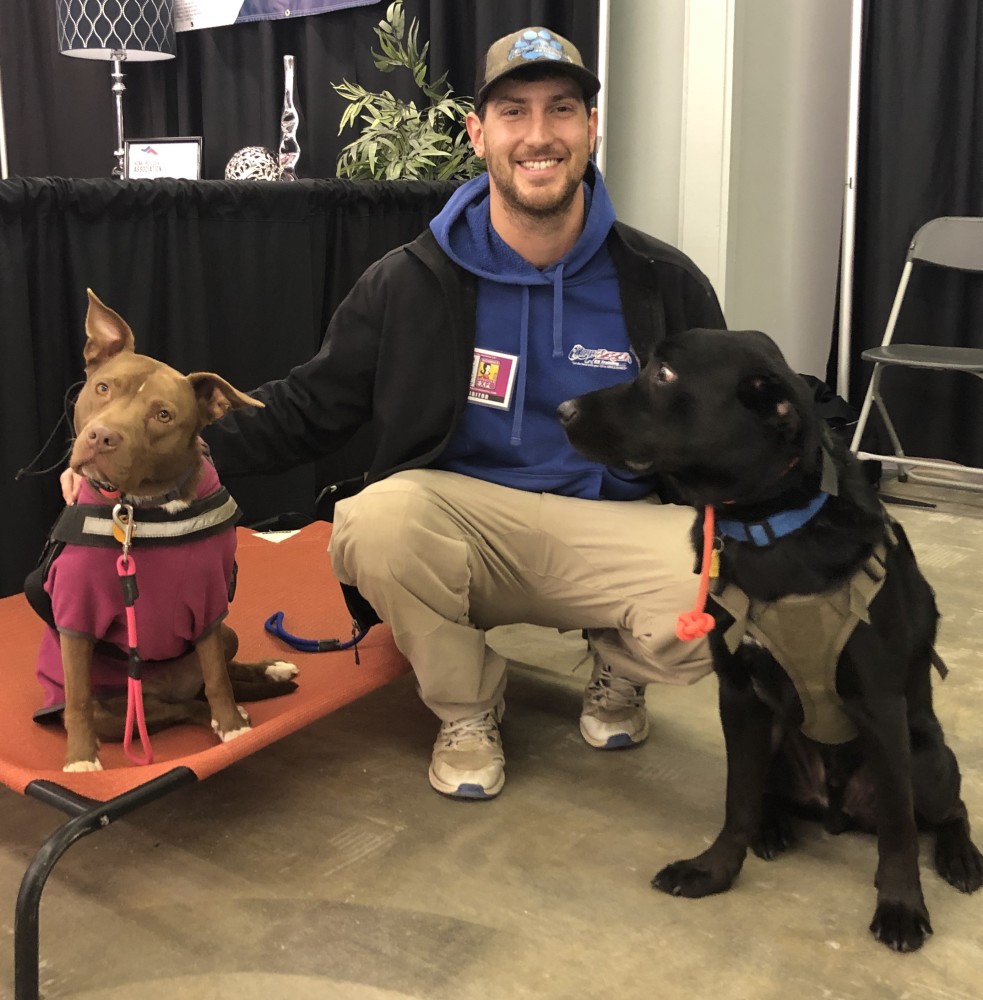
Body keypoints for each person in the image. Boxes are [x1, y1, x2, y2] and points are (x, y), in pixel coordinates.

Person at [69, 27, 725, 799]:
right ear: (479, 133)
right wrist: (131, 463)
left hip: (609, 523)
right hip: (468, 528)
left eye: (561, 110)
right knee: (373, 520)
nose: (538, 135)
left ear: (590, 128)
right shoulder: (408, 282)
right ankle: (467, 708)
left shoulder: (661, 281)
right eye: (513, 112)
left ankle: (620, 661)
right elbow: (305, 410)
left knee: (741, 590)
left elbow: (720, 428)